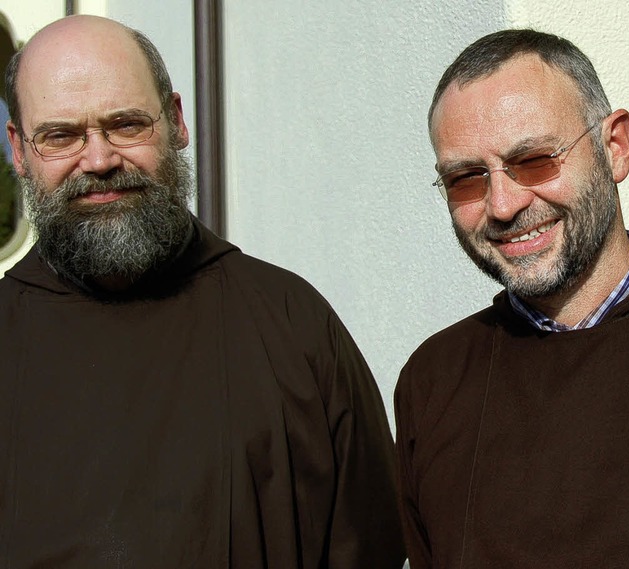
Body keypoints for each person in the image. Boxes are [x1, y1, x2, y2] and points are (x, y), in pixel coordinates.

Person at [0, 15, 406, 568]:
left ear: (176, 121)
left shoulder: (292, 326)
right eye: (61, 136)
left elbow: (371, 546)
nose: (98, 160)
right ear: (19, 150)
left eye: (125, 125)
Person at [395, 28, 629, 568]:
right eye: (466, 178)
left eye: (533, 161)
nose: (503, 204)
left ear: (614, 148)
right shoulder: (433, 381)